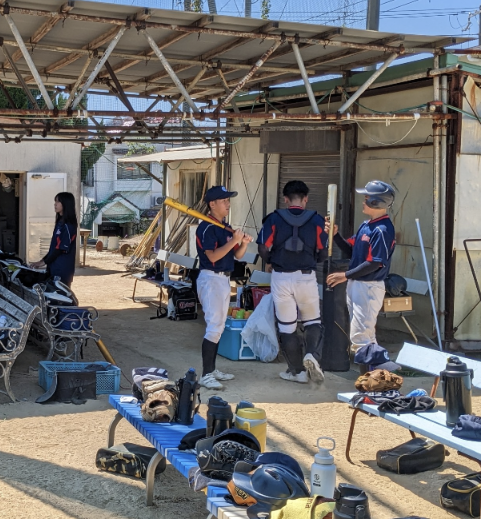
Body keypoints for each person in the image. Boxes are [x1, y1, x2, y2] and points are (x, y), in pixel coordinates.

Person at [256, 180, 328, 384]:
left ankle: (297, 372)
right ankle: (311, 355)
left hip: (281, 277)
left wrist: (271, 261)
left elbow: (262, 247)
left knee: (287, 327)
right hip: (306, 276)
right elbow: (324, 252)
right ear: (305, 199)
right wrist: (313, 260)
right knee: (312, 321)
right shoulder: (317, 220)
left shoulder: (273, 219)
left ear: (286, 199)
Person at [326, 180, 396, 355]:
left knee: (360, 338)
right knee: (365, 336)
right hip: (358, 285)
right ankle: (376, 370)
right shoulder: (366, 225)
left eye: (366, 198)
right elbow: (351, 250)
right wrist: (335, 235)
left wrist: (345, 275)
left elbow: (375, 263)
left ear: (376, 202)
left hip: (369, 286)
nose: (363, 202)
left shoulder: (382, 230)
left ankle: (373, 371)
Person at [196, 186, 253, 390]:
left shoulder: (223, 226)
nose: (228, 204)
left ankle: (212, 370)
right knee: (214, 327)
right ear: (212, 204)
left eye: (228, 200)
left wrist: (242, 243)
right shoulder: (206, 227)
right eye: (224, 200)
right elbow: (212, 256)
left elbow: (237, 255)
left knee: (218, 326)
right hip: (211, 278)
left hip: (223, 279)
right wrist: (234, 241)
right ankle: (206, 375)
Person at [30, 192, 78, 287]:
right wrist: (42, 261)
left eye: (58, 201)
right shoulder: (60, 222)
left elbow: (61, 249)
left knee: (60, 294)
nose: (55, 204)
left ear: (66, 204)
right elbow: (54, 248)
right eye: (55, 201)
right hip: (53, 268)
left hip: (62, 269)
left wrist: (44, 262)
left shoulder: (68, 225)